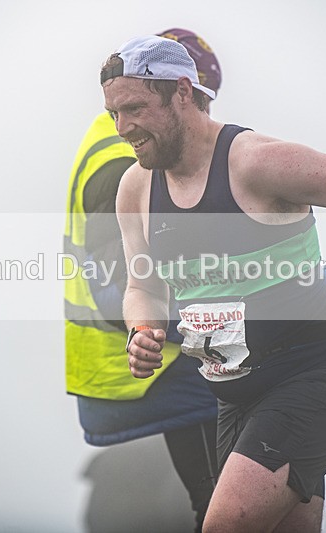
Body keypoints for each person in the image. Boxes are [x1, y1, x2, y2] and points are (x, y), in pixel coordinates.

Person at [102, 35, 326, 532]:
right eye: (113, 112)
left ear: (181, 92)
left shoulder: (255, 162)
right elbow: (143, 286)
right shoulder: (136, 188)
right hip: (232, 399)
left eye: (134, 107)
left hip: (310, 385)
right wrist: (142, 329)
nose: (122, 127)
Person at [64, 29, 223, 531]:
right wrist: (222, 325)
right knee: (221, 507)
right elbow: (120, 278)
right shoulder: (124, 165)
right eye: (200, 104)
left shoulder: (116, 147)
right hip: (160, 368)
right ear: (179, 92)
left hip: (154, 369)